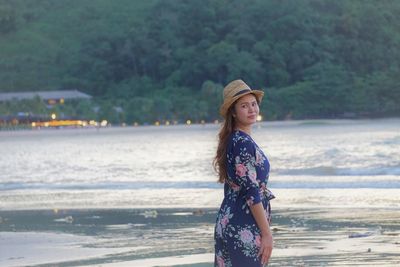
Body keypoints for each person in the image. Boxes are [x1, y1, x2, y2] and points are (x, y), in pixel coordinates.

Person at [213, 79, 275, 267]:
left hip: (230, 220)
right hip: (243, 226)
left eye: (254, 104)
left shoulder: (234, 140)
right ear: (233, 111)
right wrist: (267, 234)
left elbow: (232, 189)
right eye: (244, 106)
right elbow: (251, 192)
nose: (251, 110)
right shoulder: (243, 144)